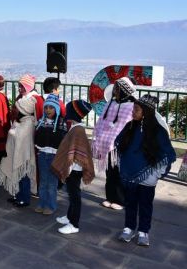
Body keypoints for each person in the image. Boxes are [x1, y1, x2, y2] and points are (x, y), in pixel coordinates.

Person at [115, 95, 176, 247]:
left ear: (146, 112)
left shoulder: (158, 131)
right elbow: (121, 146)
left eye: (136, 109)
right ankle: (129, 228)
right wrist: (123, 164)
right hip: (129, 175)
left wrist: (155, 174)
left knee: (145, 205)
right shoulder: (130, 126)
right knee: (130, 203)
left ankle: (143, 231)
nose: (133, 112)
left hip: (148, 177)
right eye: (133, 109)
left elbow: (167, 154)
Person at [51, 100, 95, 235]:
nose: (66, 112)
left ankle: (74, 224)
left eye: (69, 109)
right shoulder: (75, 127)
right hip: (73, 168)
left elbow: (77, 154)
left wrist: (68, 168)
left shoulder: (78, 130)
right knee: (71, 194)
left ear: (74, 113)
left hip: (74, 169)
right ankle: (69, 216)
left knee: (75, 196)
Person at [92, 77, 136, 210]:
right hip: (107, 144)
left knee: (119, 173)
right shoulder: (111, 103)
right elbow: (102, 122)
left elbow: (127, 126)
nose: (115, 91)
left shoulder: (131, 106)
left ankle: (120, 200)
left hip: (120, 145)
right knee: (109, 172)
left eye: (117, 88)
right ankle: (110, 197)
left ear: (124, 90)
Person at [1, 75, 40, 207]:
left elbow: (24, 137)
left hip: (25, 152)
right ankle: (18, 195)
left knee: (24, 172)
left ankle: (24, 198)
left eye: (22, 86)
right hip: (18, 146)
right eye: (19, 86)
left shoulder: (32, 102)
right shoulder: (24, 100)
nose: (19, 89)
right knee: (18, 170)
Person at [34, 94, 67, 215]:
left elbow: (63, 140)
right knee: (43, 181)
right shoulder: (40, 121)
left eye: (51, 108)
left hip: (54, 156)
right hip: (42, 154)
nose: (48, 110)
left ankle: (51, 206)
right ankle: (42, 203)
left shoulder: (61, 123)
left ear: (56, 109)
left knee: (52, 183)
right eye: (46, 107)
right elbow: (37, 137)